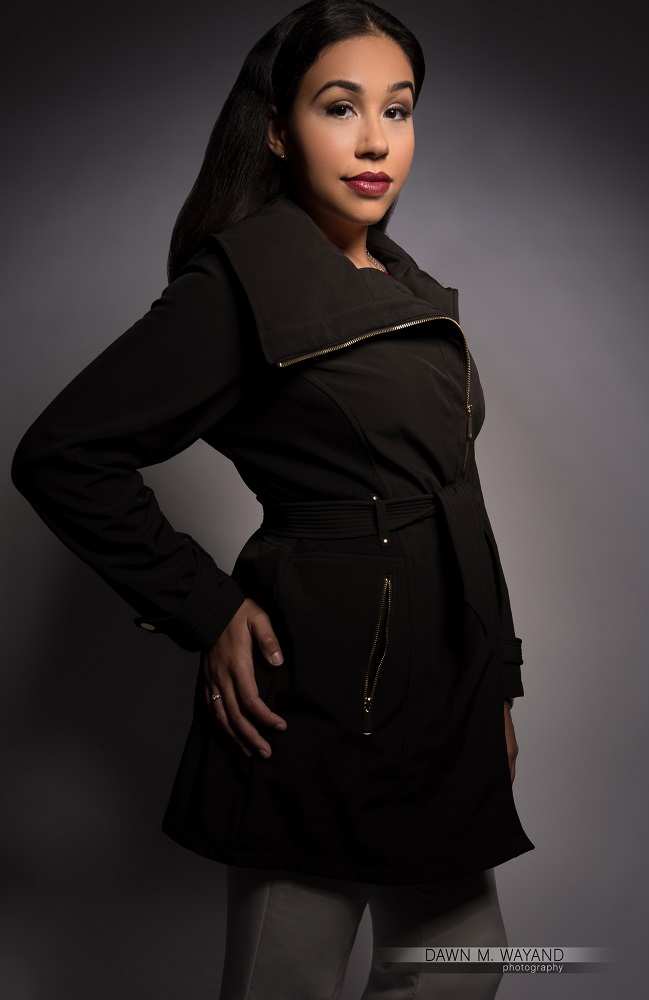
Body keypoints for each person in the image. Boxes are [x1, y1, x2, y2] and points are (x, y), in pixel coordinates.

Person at [10, 1, 535, 996]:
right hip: (319, 697)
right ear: (278, 129)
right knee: (285, 982)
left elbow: (454, 497)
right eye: (341, 107)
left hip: (440, 700)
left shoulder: (403, 283)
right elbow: (63, 454)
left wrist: (494, 682)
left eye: (397, 108)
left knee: (460, 966)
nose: (376, 140)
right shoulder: (240, 283)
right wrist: (204, 606)